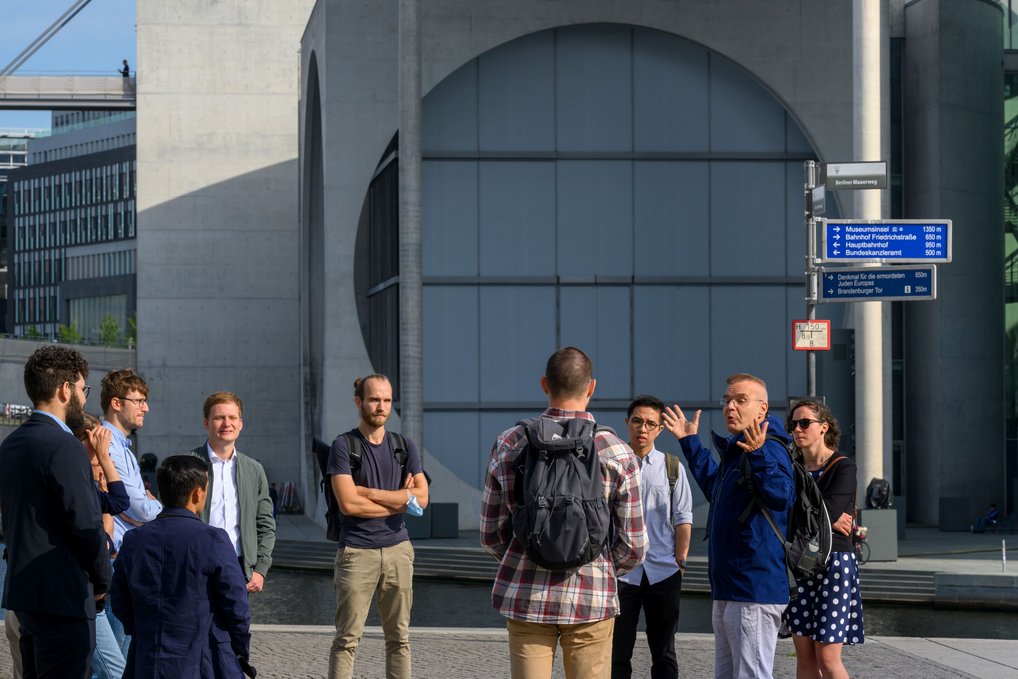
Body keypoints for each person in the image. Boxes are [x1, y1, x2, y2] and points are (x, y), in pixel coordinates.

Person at [480, 347, 647, 679]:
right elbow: (635, 546)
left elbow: (490, 533)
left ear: (544, 384)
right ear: (592, 387)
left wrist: (528, 553)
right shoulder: (615, 450)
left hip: (526, 596)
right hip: (592, 600)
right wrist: (598, 562)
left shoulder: (511, 442)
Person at [662, 373, 795, 679]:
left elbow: (782, 496)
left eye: (740, 400)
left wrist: (760, 454)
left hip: (754, 587)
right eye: (727, 400)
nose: (730, 406)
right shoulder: (741, 449)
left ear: (762, 410)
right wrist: (690, 443)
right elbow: (717, 491)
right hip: (731, 586)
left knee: (751, 675)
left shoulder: (768, 447)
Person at [0, 346, 112, 678]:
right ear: (65, 390)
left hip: (25, 597)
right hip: (65, 600)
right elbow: (86, 524)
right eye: (82, 389)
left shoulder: (11, 444)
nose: (83, 397)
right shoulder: (64, 446)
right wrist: (103, 581)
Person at [111, 455, 253, 678]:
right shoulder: (213, 539)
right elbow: (237, 605)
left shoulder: (134, 539)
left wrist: (142, 632)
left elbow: (120, 600)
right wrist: (238, 649)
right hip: (204, 661)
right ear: (198, 493)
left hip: (149, 659)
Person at [326, 374, 429, 679]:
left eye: (386, 400)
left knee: (399, 639)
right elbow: (348, 505)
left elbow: (421, 500)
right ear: (359, 402)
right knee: (347, 639)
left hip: (399, 550)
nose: (381, 406)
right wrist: (401, 499)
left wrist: (368, 492)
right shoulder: (344, 446)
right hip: (357, 552)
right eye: (374, 399)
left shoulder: (403, 446)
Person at [612, 395, 693, 679]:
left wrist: (680, 561)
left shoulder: (673, 467)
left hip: (664, 572)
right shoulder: (612, 464)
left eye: (650, 423)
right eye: (637, 421)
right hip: (623, 574)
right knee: (617, 653)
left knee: (664, 653)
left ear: (660, 429)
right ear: (627, 423)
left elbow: (683, 518)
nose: (642, 429)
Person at [782, 399, 864, 679]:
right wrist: (823, 516)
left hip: (834, 564)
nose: (797, 429)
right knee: (804, 658)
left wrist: (820, 515)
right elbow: (789, 511)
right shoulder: (791, 468)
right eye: (793, 424)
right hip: (799, 565)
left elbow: (827, 510)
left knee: (827, 658)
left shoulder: (843, 467)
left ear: (823, 427)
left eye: (805, 423)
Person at [102, 368, 163, 660]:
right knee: (116, 660)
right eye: (139, 401)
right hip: (116, 560)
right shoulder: (108, 444)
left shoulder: (122, 445)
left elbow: (136, 508)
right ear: (117, 403)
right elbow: (137, 507)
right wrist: (159, 507)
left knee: (124, 656)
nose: (146, 408)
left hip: (125, 558)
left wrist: (143, 508)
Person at [189, 392, 276, 593]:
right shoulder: (189, 465)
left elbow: (266, 524)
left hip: (239, 568)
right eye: (219, 417)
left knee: (237, 625)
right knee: (197, 625)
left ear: (240, 423)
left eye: (232, 417)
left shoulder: (254, 469)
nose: (226, 423)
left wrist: (260, 569)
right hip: (197, 566)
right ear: (206, 423)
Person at [73, 412, 131, 679]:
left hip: (100, 585)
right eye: (96, 443)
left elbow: (116, 507)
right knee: (116, 671)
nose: (102, 450)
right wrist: (105, 459)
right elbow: (119, 507)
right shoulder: (74, 485)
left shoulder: (87, 485)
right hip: (84, 594)